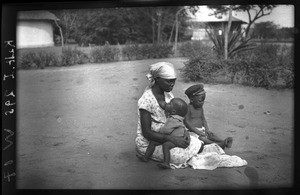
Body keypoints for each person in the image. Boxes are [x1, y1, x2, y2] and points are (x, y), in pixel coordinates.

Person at [135, 62, 203, 167]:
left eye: (174, 81)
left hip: (168, 134)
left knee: (193, 141)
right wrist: (172, 139)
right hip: (151, 142)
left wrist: (185, 133)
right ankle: (149, 156)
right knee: (178, 154)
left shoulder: (168, 94)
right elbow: (147, 133)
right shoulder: (146, 100)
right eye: (169, 81)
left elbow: (178, 117)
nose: (172, 84)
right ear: (157, 79)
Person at [136, 98, 189, 169]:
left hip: (177, 138)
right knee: (153, 142)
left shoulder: (174, 120)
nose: (167, 103)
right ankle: (146, 157)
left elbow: (166, 130)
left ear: (173, 111)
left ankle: (166, 163)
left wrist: (159, 131)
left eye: (169, 103)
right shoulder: (176, 117)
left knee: (166, 145)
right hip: (172, 136)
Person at [184, 84, 233, 151]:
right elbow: (187, 123)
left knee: (211, 135)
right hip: (193, 132)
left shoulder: (200, 108)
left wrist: (207, 129)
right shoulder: (188, 108)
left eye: (203, 100)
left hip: (202, 130)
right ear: (192, 100)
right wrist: (197, 132)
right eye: (200, 101)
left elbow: (203, 119)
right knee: (203, 139)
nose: (202, 103)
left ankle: (224, 141)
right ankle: (218, 144)